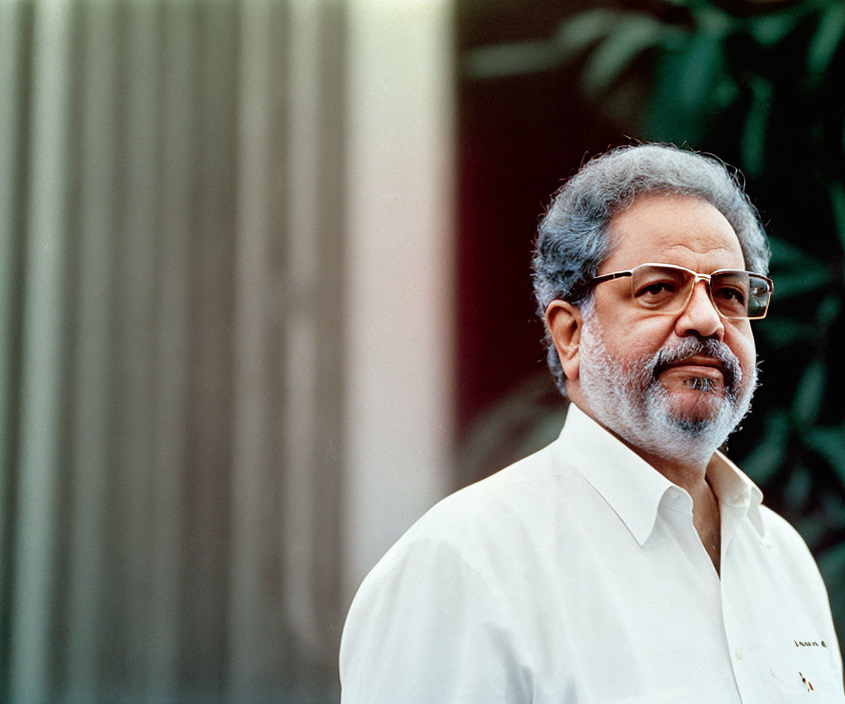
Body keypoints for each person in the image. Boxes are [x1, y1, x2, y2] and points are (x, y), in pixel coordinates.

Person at [339, 143, 844, 702]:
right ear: (570, 334)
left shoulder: (784, 558)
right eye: (658, 289)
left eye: (728, 293)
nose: (706, 320)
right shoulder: (465, 563)